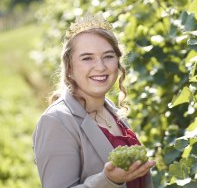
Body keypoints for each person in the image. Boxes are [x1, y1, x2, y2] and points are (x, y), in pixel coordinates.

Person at [32, 13, 155, 188]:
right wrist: (109, 180)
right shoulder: (55, 121)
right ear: (69, 68)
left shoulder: (109, 109)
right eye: (87, 58)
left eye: (108, 56)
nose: (101, 67)